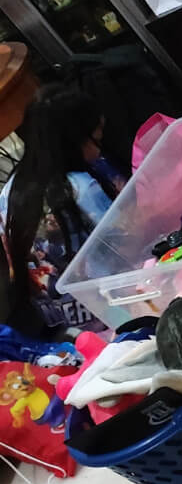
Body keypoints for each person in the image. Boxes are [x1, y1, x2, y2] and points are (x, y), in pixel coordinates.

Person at [0, 85, 123, 336]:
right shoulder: (81, 188)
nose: (99, 150)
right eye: (96, 140)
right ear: (72, 141)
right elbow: (125, 249)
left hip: (58, 321)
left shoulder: (8, 192)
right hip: (111, 316)